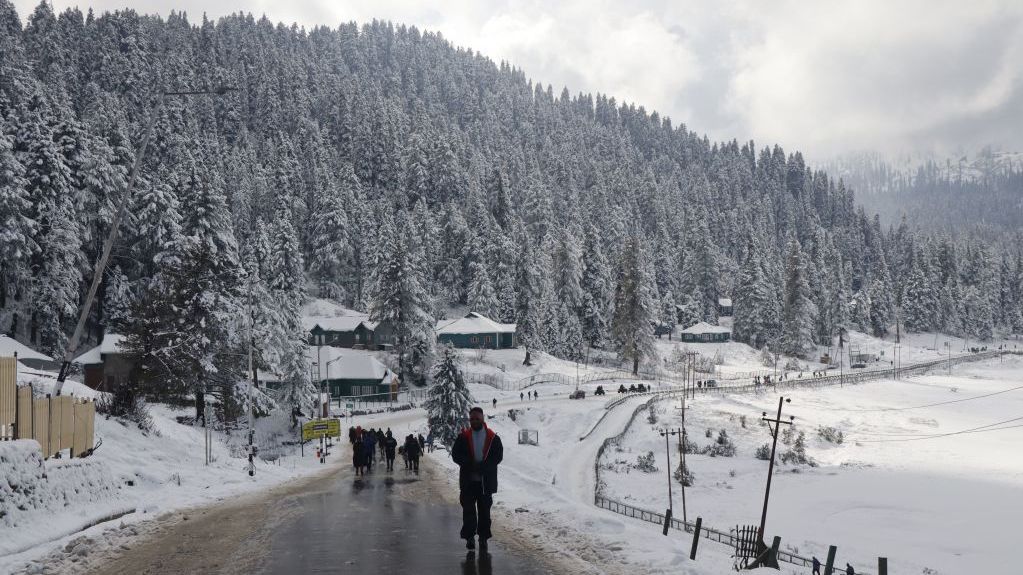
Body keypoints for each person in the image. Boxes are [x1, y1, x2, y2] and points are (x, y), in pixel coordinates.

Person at [451, 406, 504, 552]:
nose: (474, 421)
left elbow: (497, 456)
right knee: (468, 512)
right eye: (472, 419)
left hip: (485, 483)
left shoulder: (493, 437)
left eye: (477, 418)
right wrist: (469, 464)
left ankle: (483, 538)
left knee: (484, 513)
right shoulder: (463, 436)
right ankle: (469, 538)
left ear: (482, 419)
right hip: (468, 483)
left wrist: (484, 467)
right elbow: (455, 455)